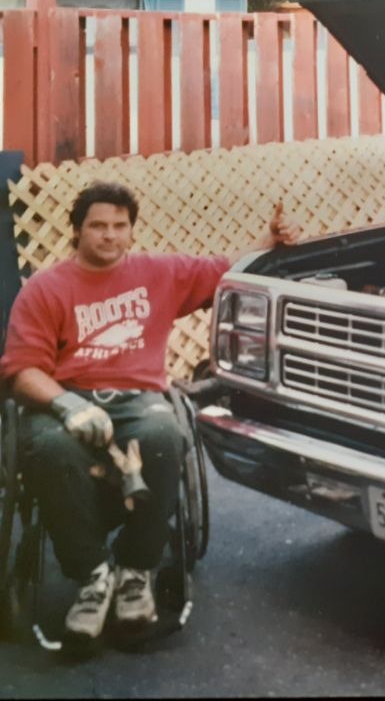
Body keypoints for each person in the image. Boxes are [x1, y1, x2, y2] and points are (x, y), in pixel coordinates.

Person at [0, 181, 300, 644]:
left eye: (120, 226)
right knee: (53, 447)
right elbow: (22, 372)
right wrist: (64, 403)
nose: (110, 235)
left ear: (132, 231)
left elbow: (228, 271)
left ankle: (136, 571)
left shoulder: (160, 272)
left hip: (137, 398)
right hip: (65, 396)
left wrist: (271, 241)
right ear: (76, 230)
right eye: (98, 225)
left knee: (164, 433)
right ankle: (93, 576)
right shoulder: (45, 289)